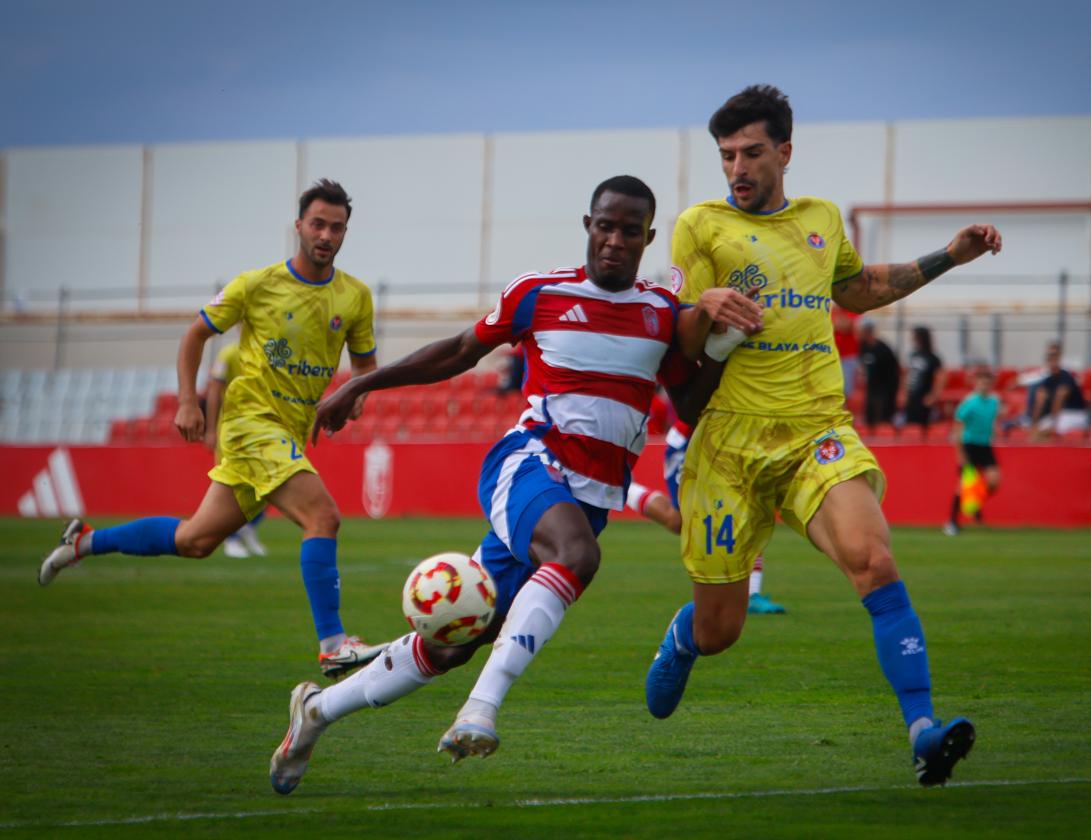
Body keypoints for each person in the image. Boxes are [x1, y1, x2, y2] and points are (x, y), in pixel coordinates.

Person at [267, 176, 762, 794]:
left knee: (453, 640)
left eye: (629, 231)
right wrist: (359, 384)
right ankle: (480, 711)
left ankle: (316, 712)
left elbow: (687, 405)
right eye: (605, 226)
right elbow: (457, 351)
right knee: (578, 555)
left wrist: (724, 344)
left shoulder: (660, 314)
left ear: (648, 238)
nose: (614, 240)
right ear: (588, 225)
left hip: (589, 495)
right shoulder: (538, 293)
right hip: (528, 462)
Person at [644, 84, 1001, 787]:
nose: (737, 168)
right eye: (726, 156)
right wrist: (701, 306)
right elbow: (675, 338)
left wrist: (949, 257)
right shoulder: (699, 225)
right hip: (729, 444)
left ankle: (924, 730)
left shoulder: (822, 219)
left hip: (818, 432)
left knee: (874, 560)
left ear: (785, 151)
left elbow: (860, 287)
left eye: (750, 153)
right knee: (722, 631)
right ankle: (685, 637)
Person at [38, 179, 386, 680]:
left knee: (195, 540)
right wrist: (188, 401)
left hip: (287, 431)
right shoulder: (256, 284)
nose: (326, 234)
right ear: (299, 227)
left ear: (345, 232)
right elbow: (195, 334)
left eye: (336, 227)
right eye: (317, 224)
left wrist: (352, 398)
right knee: (323, 517)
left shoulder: (355, 296)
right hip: (249, 424)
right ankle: (333, 642)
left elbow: (365, 367)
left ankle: (85, 542)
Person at [627, 418, 786, 615]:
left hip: (732, 440)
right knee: (679, 521)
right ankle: (624, 487)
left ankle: (752, 595)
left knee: (750, 508)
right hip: (691, 442)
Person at [205, 337, 269, 558]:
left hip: (264, 432)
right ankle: (231, 539)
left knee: (268, 487)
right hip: (233, 433)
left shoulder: (271, 354)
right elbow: (214, 391)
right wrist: (211, 429)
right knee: (234, 489)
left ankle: (247, 529)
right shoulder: (229, 354)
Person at [944, 367, 1001, 536]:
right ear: (976, 383)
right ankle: (951, 522)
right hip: (969, 445)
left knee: (994, 481)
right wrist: (960, 453)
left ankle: (974, 504)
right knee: (963, 487)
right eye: (982, 381)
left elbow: (991, 422)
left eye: (988, 381)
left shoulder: (994, 402)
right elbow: (958, 428)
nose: (985, 385)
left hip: (984, 445)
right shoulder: (969, 403)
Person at [1029, 342, 1087, 436]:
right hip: (1061, 415)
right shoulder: (1048, 380)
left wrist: (1053, 424)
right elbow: (1039, 402)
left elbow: (1059, 399)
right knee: (1039, 429)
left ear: (1058, 361)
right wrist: (1033, 424)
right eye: (1050, 360)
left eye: (1054, 360)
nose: (1052, 363)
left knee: (1048, 431)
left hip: (1075, 414)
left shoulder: (1066, 377)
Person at [857, 318, 900, 430]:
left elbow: (895, 369)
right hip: (871, 388)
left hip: (885, 389)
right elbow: (863, 364)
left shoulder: (883, 349)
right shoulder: (863, 347)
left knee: (883, 420)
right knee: (870, 419)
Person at [903, 326, 944, 428]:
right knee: (910, 425)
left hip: (924, 397)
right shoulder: (913, 355)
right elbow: (907, 374)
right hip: (912, 396)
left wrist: (933, 395)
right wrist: (904, 392)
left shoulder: (932, 357)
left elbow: (941, 378)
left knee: (922, 425)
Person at [832, 304, 860, 399]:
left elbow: (845, 326)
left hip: (848, 357)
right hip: (833, 357)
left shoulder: (852, 309)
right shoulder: (832, 311)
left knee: (845, 390)